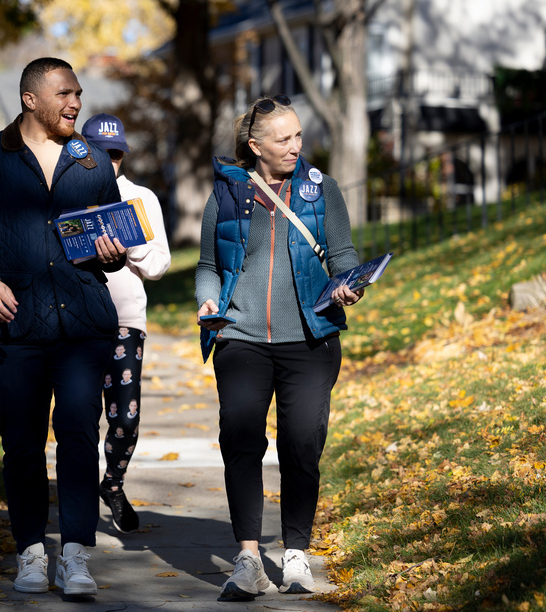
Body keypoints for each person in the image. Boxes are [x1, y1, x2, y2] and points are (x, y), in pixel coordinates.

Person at [0, 58, 128, 597]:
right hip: (14, 328)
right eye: (64, 94)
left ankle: (75, 554)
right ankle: (29, 550)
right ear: (30, 99)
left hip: (84, 327)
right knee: (21, 444)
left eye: (78, 93)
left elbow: (111, 234)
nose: (75, 103)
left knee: (77, 435)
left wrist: (113, 253)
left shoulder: (93, 161)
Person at [194, 95, 363, 600]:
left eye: (298, 137)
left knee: (302, 444)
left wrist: (348, 284)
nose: (295, 146)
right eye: (283, 139)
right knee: (241, 443)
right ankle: (248, 558)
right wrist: (207, 303)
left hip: (311, 337)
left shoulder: (320, 189)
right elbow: (207, 264)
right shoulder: (226, 193)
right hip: (241, 338)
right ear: (256, 146)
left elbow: (343, 254)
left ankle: (295, 554)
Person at [81, 113, 171, 534]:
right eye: (101, 152)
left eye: (116, 154)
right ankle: (79, 502)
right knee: (78, 418)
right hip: (76, 320)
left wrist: (129, 242)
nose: (109, 161)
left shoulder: (141, 198)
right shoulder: (67, 194)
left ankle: (112, 484)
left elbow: (159, 264)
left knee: (125, 417)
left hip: (124, 321)